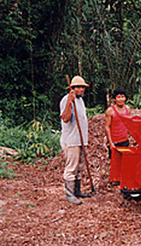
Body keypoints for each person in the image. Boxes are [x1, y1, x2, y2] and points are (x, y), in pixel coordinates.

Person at [60, 75, 90, 205]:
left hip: (81, 140)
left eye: (82, 87)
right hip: (71, 141)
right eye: (78, 87)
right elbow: (65, 118)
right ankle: (69, 194)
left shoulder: (80, 101)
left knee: (79, 167)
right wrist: (69, 102)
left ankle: (77, 191)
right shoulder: (67, 99)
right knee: (71, 167)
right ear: (72, 88)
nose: (80, 89)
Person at [105, 89, 131, 159]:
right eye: (118, 97)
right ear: (114, 99)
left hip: (125, 140)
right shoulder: (110, 110)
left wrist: (129, 136)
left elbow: (128, 123)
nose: (121, 99)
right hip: (115, 142)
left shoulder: (127, 109)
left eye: (122, 97)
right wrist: (110, 143)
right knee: (115, 162)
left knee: (125, 161)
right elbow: (107, 127)